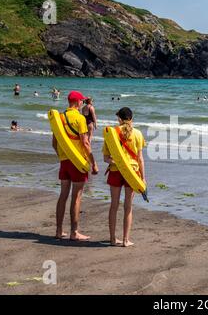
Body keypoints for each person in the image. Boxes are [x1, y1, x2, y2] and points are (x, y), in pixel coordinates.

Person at [52, 91, 99, 241]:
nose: (82, 103)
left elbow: (54, 142)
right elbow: (85, 143)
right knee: (76, 197)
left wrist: (62, 156)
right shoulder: (80, 118)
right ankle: (74, 232)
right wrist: (94, 163)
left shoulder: (59, 118)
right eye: (81, 101)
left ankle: (59, 231)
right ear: (78, 102)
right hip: (78, 163)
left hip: (64, 161)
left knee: (63, 195)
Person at [103, 107, 146, 247]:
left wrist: (115, 162)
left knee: (113, 205)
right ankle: (126, 240)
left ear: (119, 119)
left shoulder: (112, 133)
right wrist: (143, 179)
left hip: (116, 171)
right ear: (131, 119)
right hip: (132, 173)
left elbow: (106, 158)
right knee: (128, 207)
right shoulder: (138, 134)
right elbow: (140, 159)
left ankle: (112, 239)